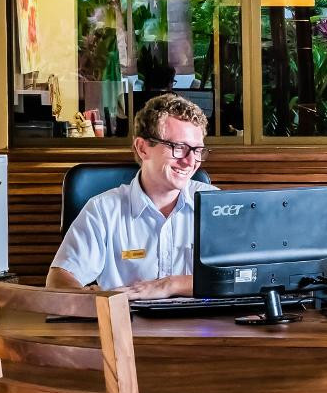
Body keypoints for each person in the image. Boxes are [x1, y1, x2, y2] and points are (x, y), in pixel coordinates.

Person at [48, 93, 215, 299]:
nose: (191, 161)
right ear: (142, 148)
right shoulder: (103, 210)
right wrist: (86, 300)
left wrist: (170, 285)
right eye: (179, 148)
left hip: (203, 326)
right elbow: (58, 280)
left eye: (197, 150)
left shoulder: (216, 205)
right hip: (127, 326)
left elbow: (244, 278)